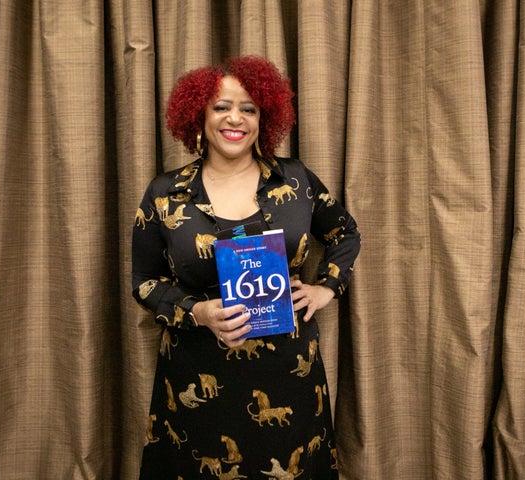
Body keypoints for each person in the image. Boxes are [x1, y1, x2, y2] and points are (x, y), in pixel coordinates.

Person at [132, 55, 360, 479]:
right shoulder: (166, 193)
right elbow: (144, 282)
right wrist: (197, 312)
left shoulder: (296, 181)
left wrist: (325, 288)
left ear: (264, 118)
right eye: (221, 106)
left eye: (249, 108)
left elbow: (345, 233)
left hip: (289, 376)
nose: (234, 118)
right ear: (198, 115)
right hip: (196, 377)